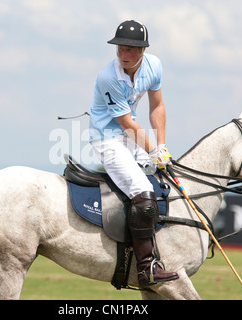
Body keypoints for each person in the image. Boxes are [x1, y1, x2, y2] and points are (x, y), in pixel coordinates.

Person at [89, 20, 178, 287]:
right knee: (141, 189)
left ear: (142, 51)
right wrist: (152, 149)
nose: (124, 55)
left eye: (130, 50)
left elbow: (157, 105)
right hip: (107, 138)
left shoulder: (154, 66)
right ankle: (146, 268)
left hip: (132, 136)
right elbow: (126, 123)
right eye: (120, 49)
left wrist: (160, 147)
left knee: (162, 179)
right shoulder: (108, 77)